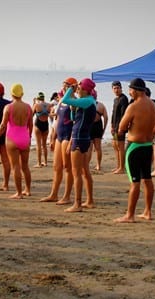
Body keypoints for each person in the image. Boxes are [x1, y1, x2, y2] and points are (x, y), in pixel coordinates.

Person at [113, 78, 155, 223]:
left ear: (134, 90)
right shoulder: (152, 104)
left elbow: (121, 127)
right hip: (148, 146)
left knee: (135, 182)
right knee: (147, 179)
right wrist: (152, 134)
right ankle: (147, 211)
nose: (129, 92)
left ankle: (130, 215)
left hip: (134, 147)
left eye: (130, 90)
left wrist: (128, 128)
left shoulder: (133, 106)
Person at [61, 78, 97, 212]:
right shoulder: (89, 101)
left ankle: (77, 204)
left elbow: (64, 100)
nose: (78, 90)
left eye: (79, 88)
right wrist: (73, 108)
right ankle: (90, 200)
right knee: (84, 170)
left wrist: (70, 88)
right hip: (84, 137)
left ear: (86, 90)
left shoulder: (87, 100)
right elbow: (73, 118)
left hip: (78, 138)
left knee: (76, 173)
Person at [0, 83, 32, 199]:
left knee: (15, 166)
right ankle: (28, 190)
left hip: (12, 138)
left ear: (12, 94)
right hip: (24, 137)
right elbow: (30, 125)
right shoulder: (28, 107)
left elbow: (3, 125)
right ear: (22, 94)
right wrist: (29, 137)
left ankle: (19, 193)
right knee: (25, 166)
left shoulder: (8, 107)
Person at [40, 83, 74, 204]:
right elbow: (57, 120)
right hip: (59, 135)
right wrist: (52, 137)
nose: (64, 87)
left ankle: (67, 196)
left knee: (67, 167)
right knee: (56, 166)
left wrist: (71, 140)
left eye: (67, 86)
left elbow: (76, 122)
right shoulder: (61, 101)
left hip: (68, 136)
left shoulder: (73, 102)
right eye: (63, 85)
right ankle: (53, 194)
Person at [110, 81, 129, 174]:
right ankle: (118, 166)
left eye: (118, 88)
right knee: (115, 146)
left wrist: (121, 128)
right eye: (114, 88)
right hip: (115, 126)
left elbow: (123, 115)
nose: (116, 90)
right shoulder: (115, 99)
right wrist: (111, 126)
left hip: (120, 126)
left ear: (121, 88)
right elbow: (113, 113)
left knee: (120, 147)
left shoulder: (123, 99)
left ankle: (122, 167)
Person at [90, 91, 108, 171]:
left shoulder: (87, 104)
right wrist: (104, 129)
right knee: (98, 148)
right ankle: (98, 165)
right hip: (98, 126)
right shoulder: (101, 105)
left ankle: (86, 164)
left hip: (89, 126)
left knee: (89, 148)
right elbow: (106, 118)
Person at [32, 92, 51, 168]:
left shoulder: (37, 105)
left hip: (38, 124)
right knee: (44, 145)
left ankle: (39, 163)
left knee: (38, 144)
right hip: (46, 124)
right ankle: (45, 162)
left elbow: (31, 114)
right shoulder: (49, 105)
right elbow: (50, 115)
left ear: (38, 98)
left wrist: (33, 103)